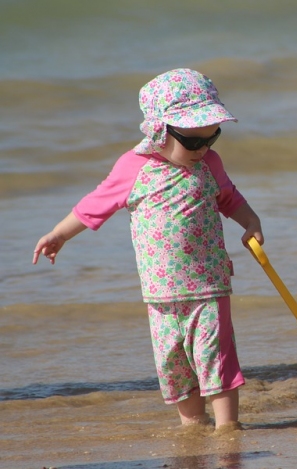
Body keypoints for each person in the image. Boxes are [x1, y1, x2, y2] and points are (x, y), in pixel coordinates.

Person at [32, 68, 263, 431]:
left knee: (215, 357)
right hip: (159, 292)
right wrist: (60, 233)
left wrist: (251, 221)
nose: (202, 149)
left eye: (211, 138)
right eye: (192, 142)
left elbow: (229, 198)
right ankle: (193, 425)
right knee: (174, 364)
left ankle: (227, 429)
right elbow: (97, 203)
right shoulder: (133, 168)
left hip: (208, 284)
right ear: (159, 130)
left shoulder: (209, 165)